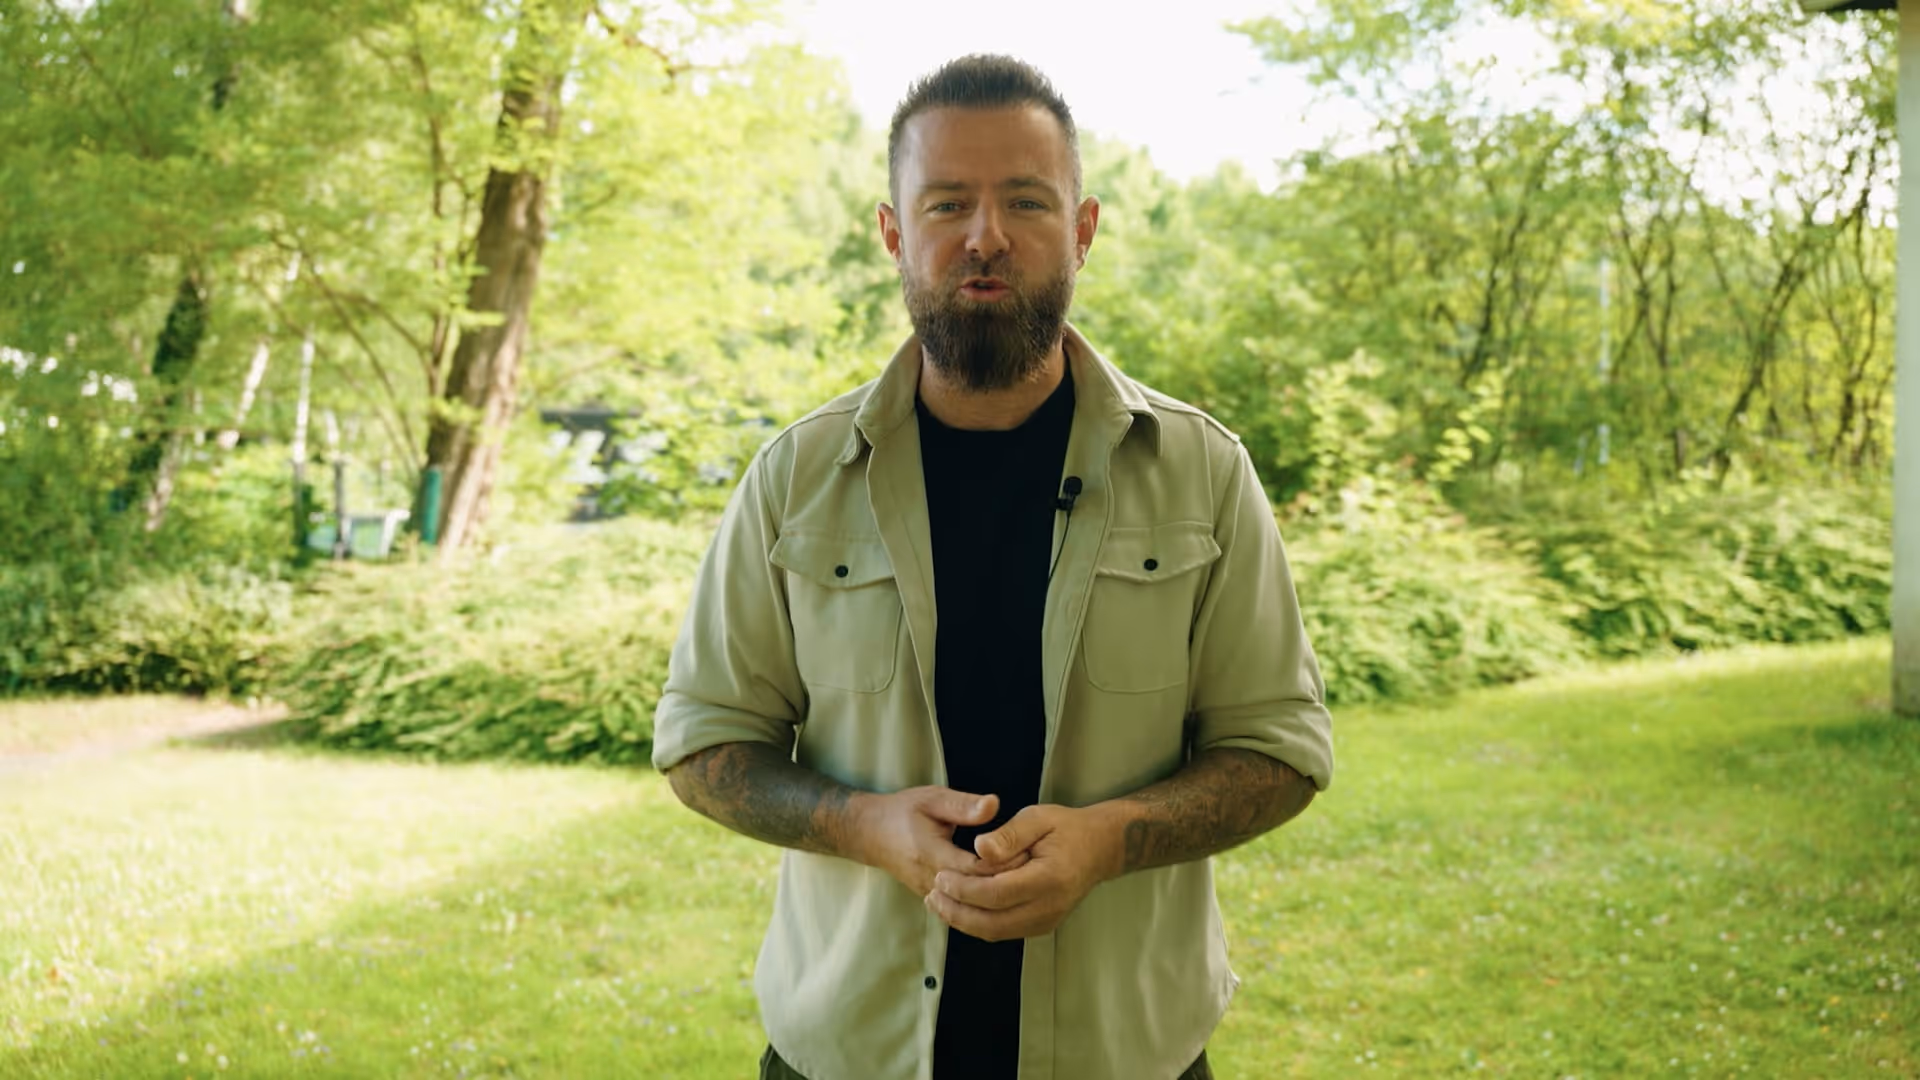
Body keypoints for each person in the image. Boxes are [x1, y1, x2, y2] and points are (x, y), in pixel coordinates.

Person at [652, 54, 1334, 1080]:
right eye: (946, 204)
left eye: (1025, 200)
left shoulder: (1202, 472)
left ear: (1083, 228)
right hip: (849, 1053)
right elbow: (703, 743)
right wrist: (862, 825)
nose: (985, 236)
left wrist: (1111, 839)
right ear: (893, 233)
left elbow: (1280, 748)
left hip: (1123, 1055)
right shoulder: (795, 478)